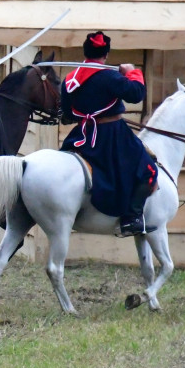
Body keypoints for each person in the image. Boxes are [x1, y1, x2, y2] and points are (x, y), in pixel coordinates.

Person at [60, 31, 158, 237]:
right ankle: (132, 217)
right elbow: (136, 93)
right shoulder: (110, 76)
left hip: (81, 135)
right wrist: (132, 72)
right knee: (148, 169)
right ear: (105, 55)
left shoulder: (69, 80)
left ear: (85, 52)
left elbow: (68, 112)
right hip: (112, 136)